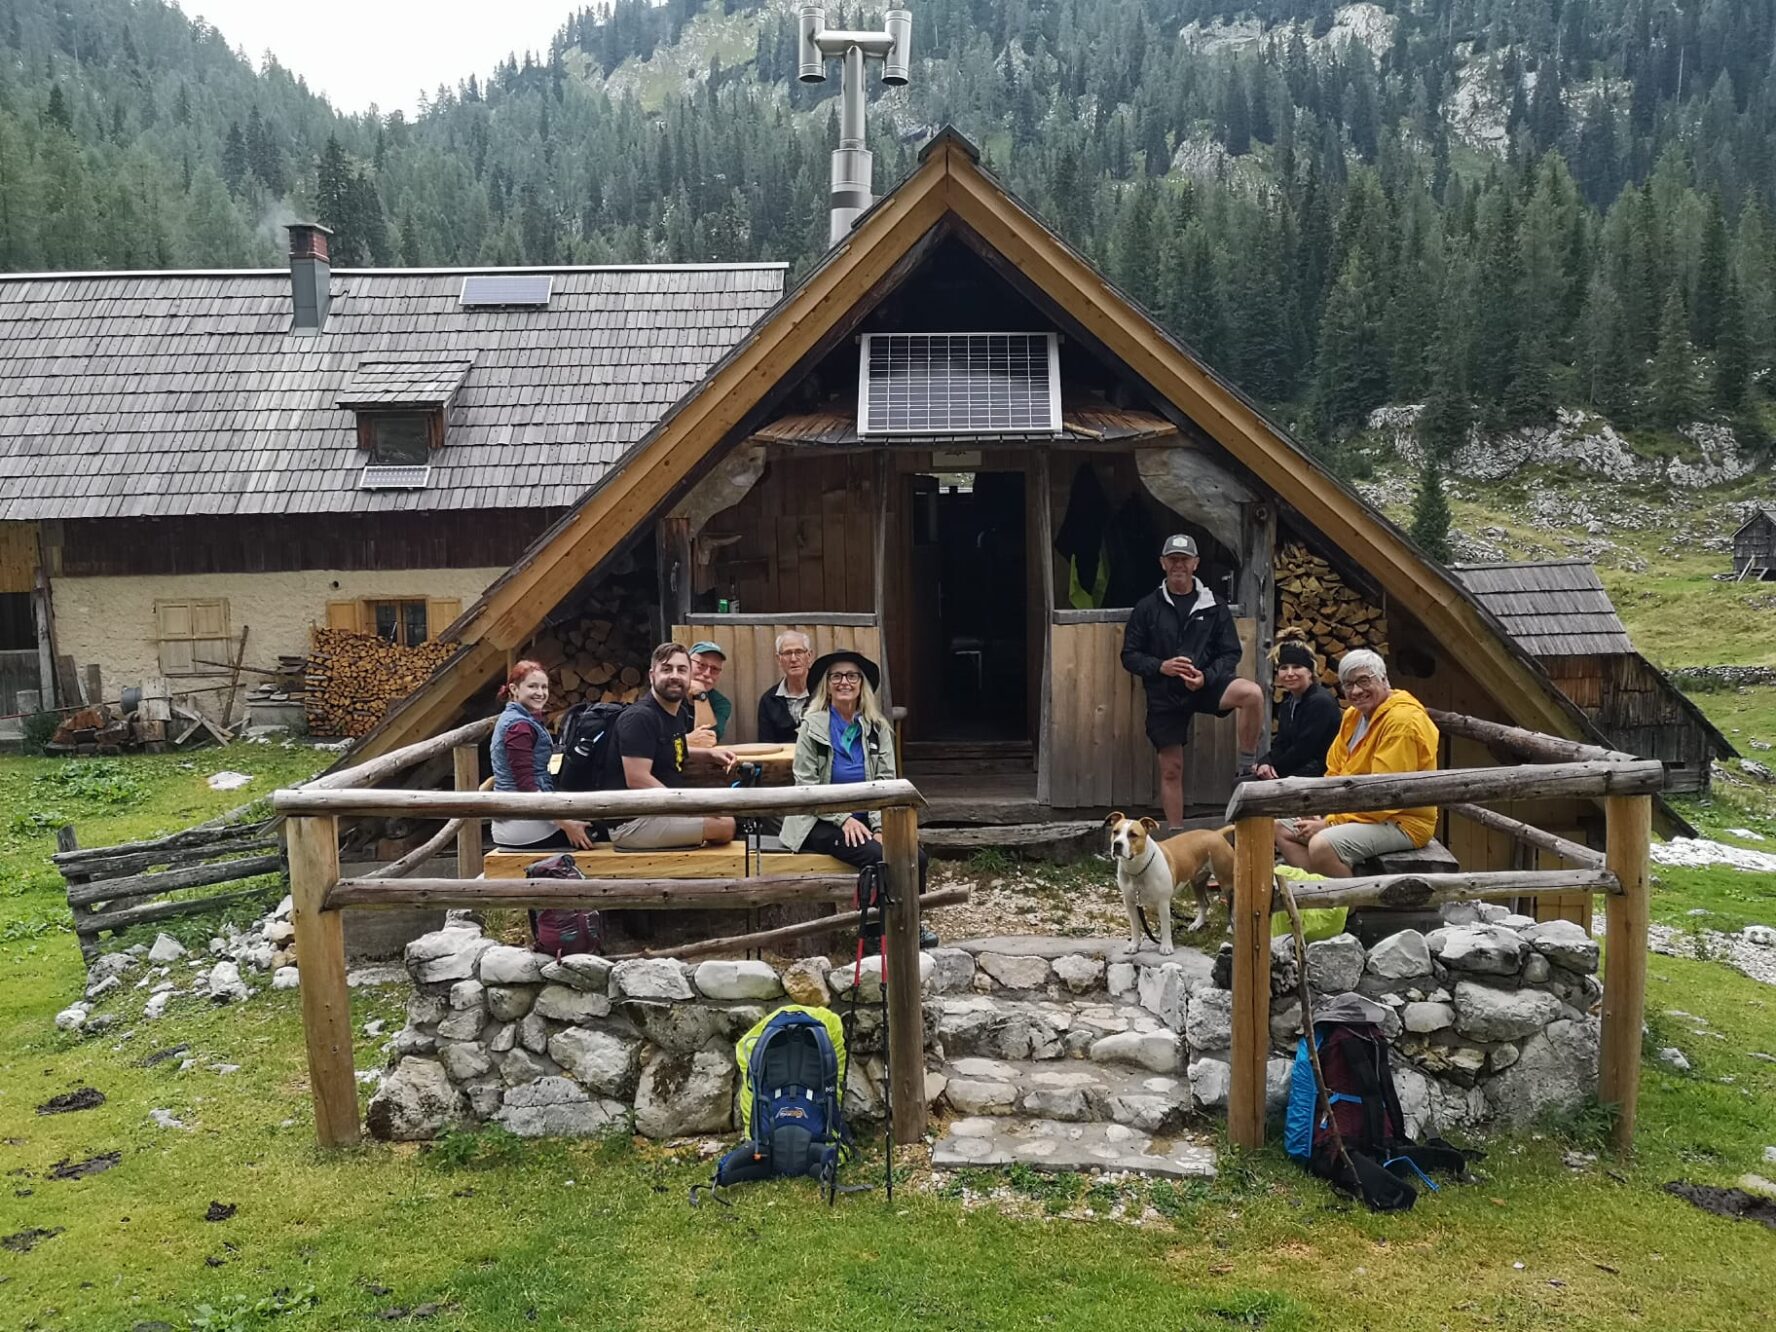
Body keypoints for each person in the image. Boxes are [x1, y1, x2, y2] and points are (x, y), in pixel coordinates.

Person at [778, 649, 937, 947]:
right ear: (827, 685)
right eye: (836, 676)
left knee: (916, 857)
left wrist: (880, 827)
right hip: (819, 820)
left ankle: (909, 926)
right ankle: (878, 934)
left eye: (852, 676)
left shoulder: (877, 728)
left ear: (862, 684)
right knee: (879, 857)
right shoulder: (812, 726)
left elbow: (886, 783)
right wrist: (844, 819)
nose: (844, 682)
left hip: (868, 819)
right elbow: (806, 786)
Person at [1121, 533, 1265, 828]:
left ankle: (1246, 768)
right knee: (1171, 770)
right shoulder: (1147, 608)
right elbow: (1129, 655)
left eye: (1184, 559)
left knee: (1252, 694)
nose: (1179, 565)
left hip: (1204, 684)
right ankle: (1176, 836)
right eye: (1173, 559)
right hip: (1164, 692)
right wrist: (1162, 666)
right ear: (1162, 563)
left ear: (1195, 564)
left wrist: (1205, 677)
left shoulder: (1214, 605)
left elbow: (1231, 652)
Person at [1277, 649, 1440, 879]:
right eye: (1348, 684)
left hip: (1401, 821)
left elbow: (1384, 798)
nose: (1355, 691)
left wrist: (1330, 824)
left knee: (1321, 845)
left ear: (1383, 679)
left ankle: (1351, 900)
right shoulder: (1353, 715)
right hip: (1355, 811)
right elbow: (1335, 769)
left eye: (1364, 681)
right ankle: (1319, 891)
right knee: (1281, 826)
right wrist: (1320, 810)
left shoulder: (1402, 723)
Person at [609, 643, 737, 850]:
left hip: (661, 811)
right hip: (633, 822)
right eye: (667, 669)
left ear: (689, 676)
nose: (675, 676)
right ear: (652, 675)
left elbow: (670, 748)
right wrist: (689, 807)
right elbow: (637, 779)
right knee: (725, 826)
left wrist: (708, 754)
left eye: (681, 670)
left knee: (724, 812)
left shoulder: (676, 714)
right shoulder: (639, 718)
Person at [488, 659, 593, 851]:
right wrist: (565, 824)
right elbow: (526, 786)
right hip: (523, 825)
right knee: (595, 833)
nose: (540, 692)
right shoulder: (519, 727)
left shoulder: (519, 717)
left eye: (544, 687)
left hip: (518, 817)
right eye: (532, 686)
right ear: (514, 689)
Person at [1255, 629, 1342, 780]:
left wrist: (1274, 769)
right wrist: (1265, 762)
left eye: (1296, 667)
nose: (1290, 673)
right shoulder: (1288, 704)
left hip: (1319, 775)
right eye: (1284, 668)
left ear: (1310, 671)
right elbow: (1282, 743)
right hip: (1295, 770)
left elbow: (1304, 749)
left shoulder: (1320, 702)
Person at [756, 630, 813, 743]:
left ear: (809, 656)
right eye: (787, 653)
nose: (793, 659)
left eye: (799, 652)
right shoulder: (769, 700)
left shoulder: (824, 693)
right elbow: (766, 744)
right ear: (779, 659)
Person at [686, 640, 732, 747]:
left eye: (715, 669)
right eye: (701, 665)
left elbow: (707, 740)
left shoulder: (721, 703)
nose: (707, 674)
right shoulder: (670, 694)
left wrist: (700, 694)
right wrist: (685, 741)